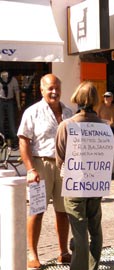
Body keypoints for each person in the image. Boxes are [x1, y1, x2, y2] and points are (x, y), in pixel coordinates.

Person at [17, 74, 72, 269]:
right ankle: (32, 253)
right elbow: (23, 140)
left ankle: (63, 252)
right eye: (50, 88)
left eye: (57, 88)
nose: (54, 92)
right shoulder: (32, 112)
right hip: (41, 165)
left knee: (63, 211)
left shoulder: (68, 112)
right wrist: (30, 169)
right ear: (41, 90)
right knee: (37, 210)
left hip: (64, 166)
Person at [56, 81, 108, 270]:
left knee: (79, 233)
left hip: (74, 184)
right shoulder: (105, 127)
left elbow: (60, 158)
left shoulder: (67, 125)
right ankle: (93, 266)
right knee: (95, 229)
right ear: (95, 100)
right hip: (96, 184)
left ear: (77, 98)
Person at [97, 91, 114, 178]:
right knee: (103, 152)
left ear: (112, 98)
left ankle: (113, 171)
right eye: (105, 97)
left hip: (113, 130)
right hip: (103, 131)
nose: (106, 98)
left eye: (108, 97)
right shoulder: (100, 107)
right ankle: (103, 172)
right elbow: (97, 118)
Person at [0, 70, 21, 148]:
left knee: (11, 120)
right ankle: (1, 140)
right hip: (1, 101)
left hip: (10, 101)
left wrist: (18, 104)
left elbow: (17, 91)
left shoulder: (13, 80)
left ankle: (14, 140)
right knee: (0, 121)